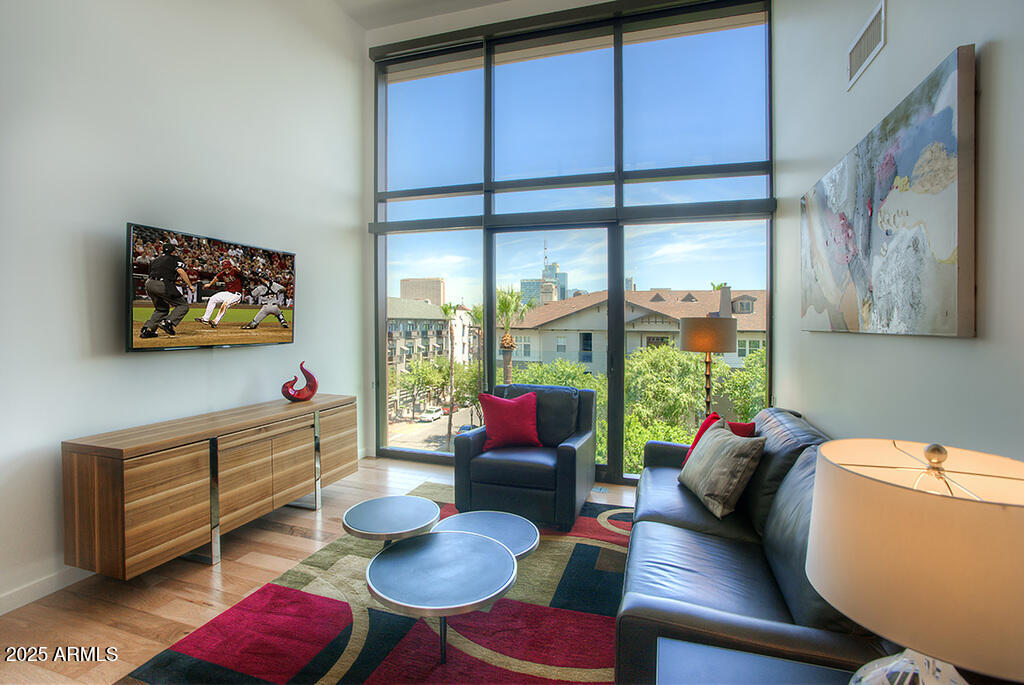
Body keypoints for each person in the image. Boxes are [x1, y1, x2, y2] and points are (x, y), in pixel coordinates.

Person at [140, 243, 194, 338]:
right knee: (183, 305)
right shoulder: (175, 259)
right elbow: (181, 271)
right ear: (173, 251)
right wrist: (190, 285)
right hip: (162, 284)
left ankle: (147, 329)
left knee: (161, 308)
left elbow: (152, 273)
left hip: (149, 283)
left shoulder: (155, 260)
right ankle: (168, 322)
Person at [194, 259, 243, 328]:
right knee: (212, 299)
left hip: (236, 295)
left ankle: (215, 321)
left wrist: (238, 269)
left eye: (227, 267)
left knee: (225, 304)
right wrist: (210, 284)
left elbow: (241, 273)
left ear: (230, 267)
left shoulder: (234, 271)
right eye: (224, 268)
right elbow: (216, 278)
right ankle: (205, 319)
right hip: (228, 293)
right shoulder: (222, 273)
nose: (226, 269)